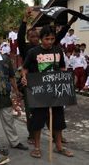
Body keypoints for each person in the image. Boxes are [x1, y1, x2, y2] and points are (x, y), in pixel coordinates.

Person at [17, 7, 78, 144]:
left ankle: (56, 137)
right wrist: (24, 19)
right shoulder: (25, 48)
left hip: (48, 83)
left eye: (35, 36)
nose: (34, 38)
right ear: (28, 38)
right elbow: (20, 35)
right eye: (31, 36)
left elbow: (59, 35)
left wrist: (70, 23)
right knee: (33, 112)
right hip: (32, 85)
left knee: (53, 111)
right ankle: (32, 135)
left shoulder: (47, 46)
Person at [21, 25, 73, 158]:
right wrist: (24, 78)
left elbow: (62, 68)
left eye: (52, 38)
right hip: (38, 93)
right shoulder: (33, 52)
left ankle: (59, 147)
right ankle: (37, 148)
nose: (49, 41)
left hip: (56, 93)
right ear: (41, 39)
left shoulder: (58, 51)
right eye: (47, 39)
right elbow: (25, 69)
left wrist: (66, 79)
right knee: (38, 121)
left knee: (58, 121)